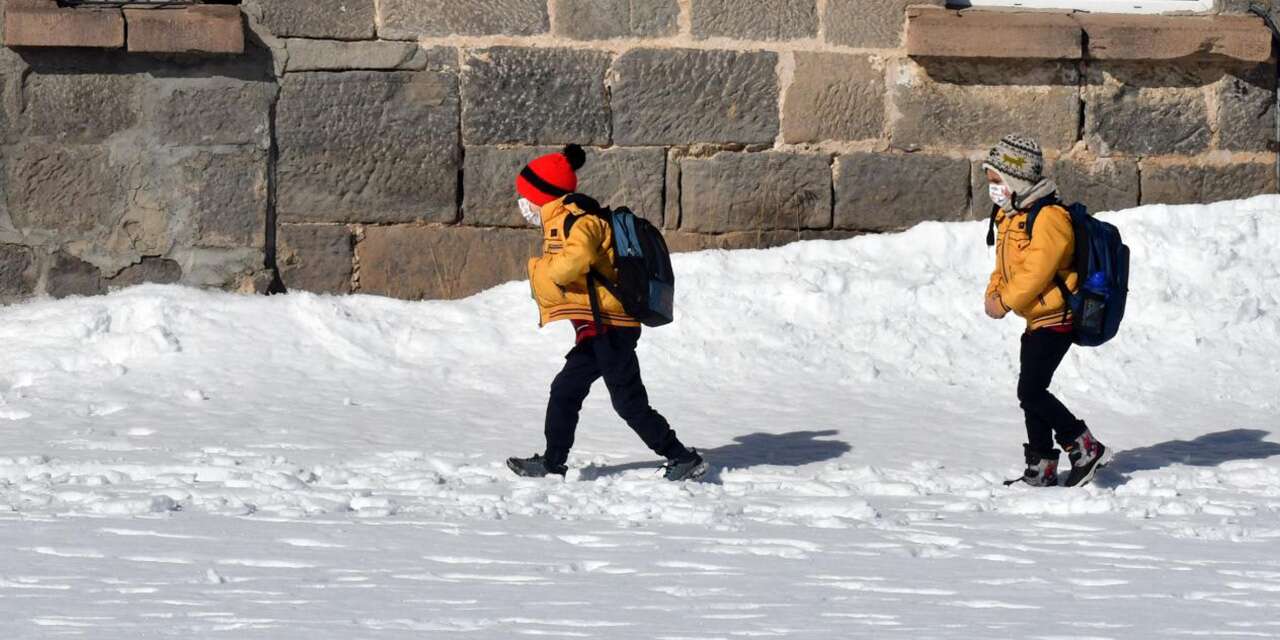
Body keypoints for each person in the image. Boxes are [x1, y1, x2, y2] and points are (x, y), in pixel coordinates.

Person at [505, 145, 707, 482]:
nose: (521, 204)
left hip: (611, 329)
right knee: (565, 390)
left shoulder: (583, 222)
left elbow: (576, 260)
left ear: (543, 196)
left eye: (525, 196)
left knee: (628, 402)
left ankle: (682, 457)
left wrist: (542, 270)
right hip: (597, 329)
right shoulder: (566, 220)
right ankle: (553, 462)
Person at [982, 134, 1111, 488]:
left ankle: (1084, 446)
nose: (992, 189)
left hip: (1058, 317)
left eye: (996, 181)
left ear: (1016, 180)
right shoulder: (1011, 217)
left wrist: (1006, 301)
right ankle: (1041, 465)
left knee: (1031, 392)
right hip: (1037, 320)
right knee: (1031, 393)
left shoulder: (1050, 217)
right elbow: (1004, 267)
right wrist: (993, 293)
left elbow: (1037, 271)